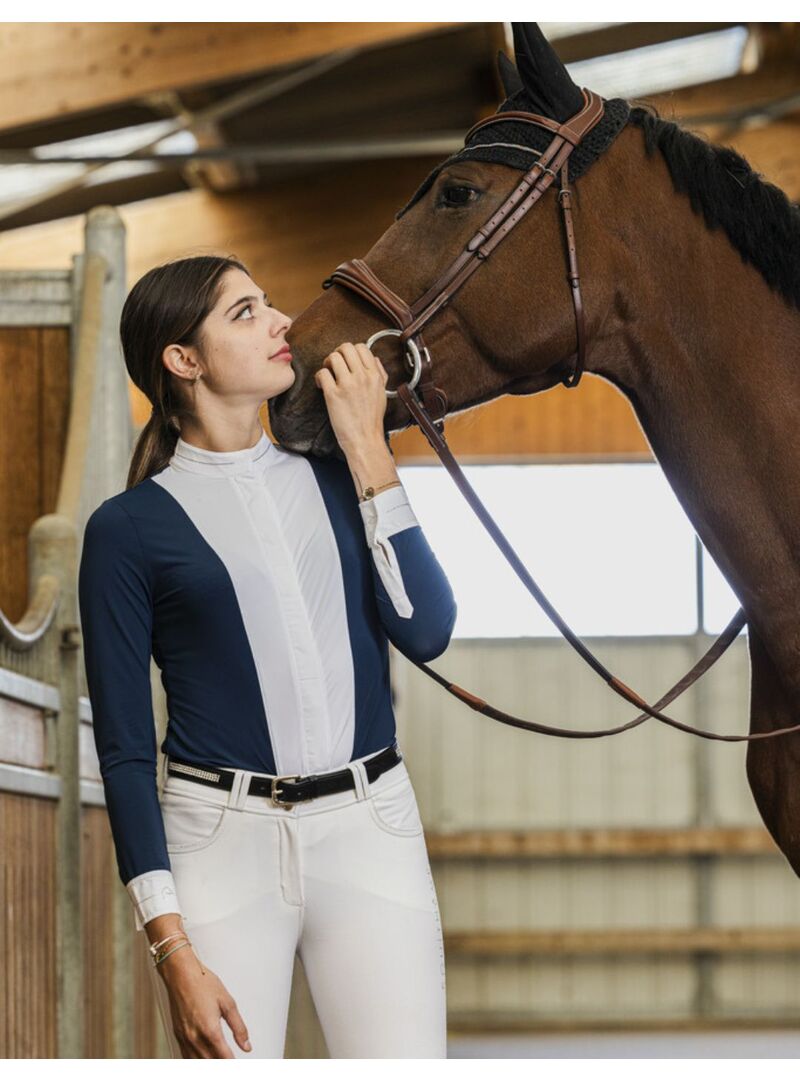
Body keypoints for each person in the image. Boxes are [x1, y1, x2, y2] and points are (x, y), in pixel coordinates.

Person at [77, 254, 456, 1059]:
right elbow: (123, 750)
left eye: (268, 302)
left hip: (371, 828)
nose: (283, 321)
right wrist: (171, 947)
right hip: (220, 845)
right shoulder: (126, 530)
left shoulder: (333, 477)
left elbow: (427, 630)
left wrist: (366, 445)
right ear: (184, 361)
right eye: (245, 313)